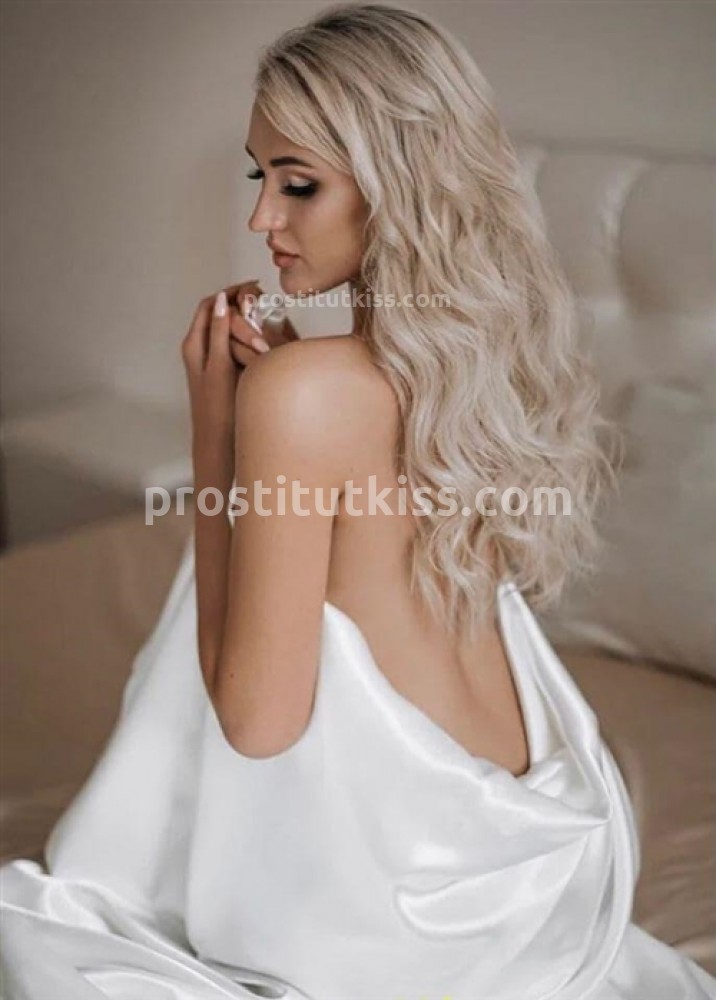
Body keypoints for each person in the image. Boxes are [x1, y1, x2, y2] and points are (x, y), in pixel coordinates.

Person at [1, 4, 713, 998]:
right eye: (259, 178)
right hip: (542, 851)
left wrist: (218, 430)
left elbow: (257, 727)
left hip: (411, 911)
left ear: (399, 185)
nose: (262, 220)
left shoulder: (305, 392)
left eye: (298, 183)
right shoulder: (484, 356)